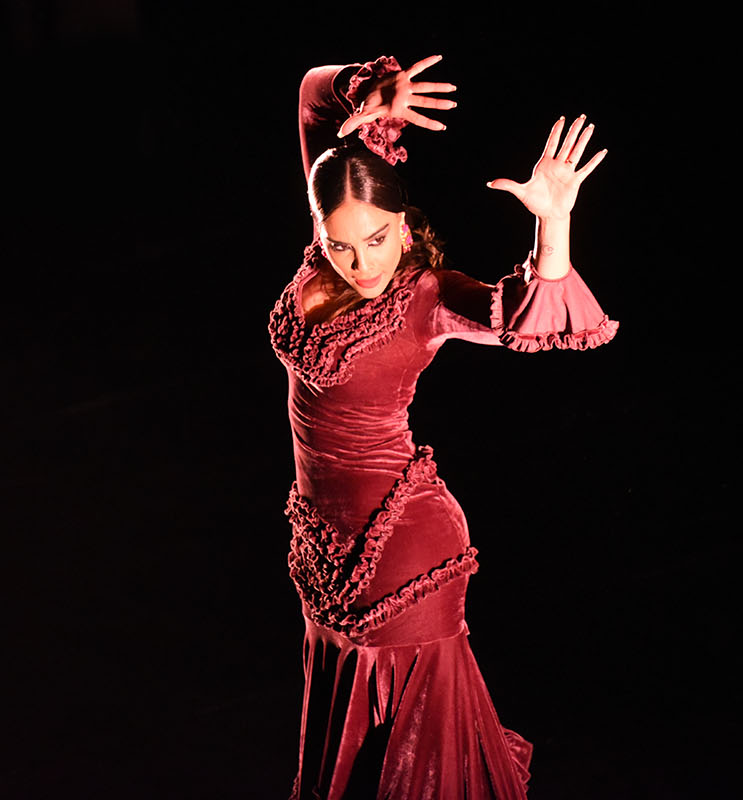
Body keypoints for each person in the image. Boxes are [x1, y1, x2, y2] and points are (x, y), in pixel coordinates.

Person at [268, 52, 617, 799]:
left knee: (421, 769)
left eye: (378, 239)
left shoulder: (424, 294)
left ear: (403, 224)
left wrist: (552, 228)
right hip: (321, 553)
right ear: (318, 226)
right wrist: (368, 90)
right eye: (341, 244)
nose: (361, 261)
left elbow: (520, 320)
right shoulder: (331, 220)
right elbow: (310, 94)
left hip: (404, 554)